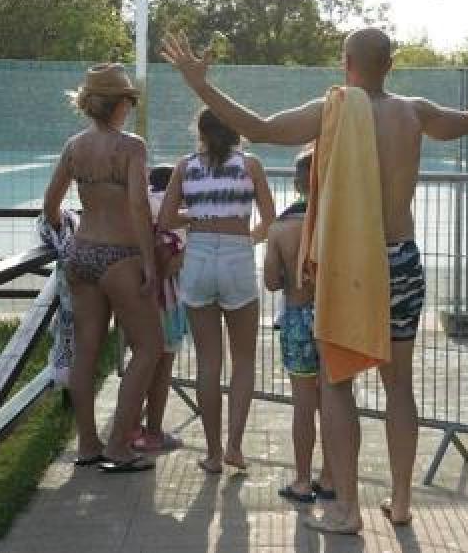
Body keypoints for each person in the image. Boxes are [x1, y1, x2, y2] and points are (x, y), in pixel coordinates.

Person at [161, 26, 468, 532]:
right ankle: (401, 502)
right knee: (399, 386)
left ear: (344, 62)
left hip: (351, 265)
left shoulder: (331, 110)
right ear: (390, 65)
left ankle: (346, 509)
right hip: (401, 258)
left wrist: (201, 85)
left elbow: (259, 128)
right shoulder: (414, 112)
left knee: (336, 385)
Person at [41, 62, 163, 473]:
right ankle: (119, 446)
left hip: (82, 254)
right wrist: (149, 261)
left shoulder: (74, 146)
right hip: (120, 256)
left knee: (86, 352)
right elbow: (138, 206)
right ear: (121, 104)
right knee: (149, 347)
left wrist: (66, 232)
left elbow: (51, 204)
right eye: (129, 100)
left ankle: (88, 444)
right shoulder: (131, 147)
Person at [157, 108, 276, 474]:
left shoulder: (185, 167)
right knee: (243, 361)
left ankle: (212, 453)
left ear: (201, 132)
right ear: (236, 129)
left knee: (208, 363)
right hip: (237, 255)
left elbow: (165, 219)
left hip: (199, 256)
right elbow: (270, 220)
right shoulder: (250, 165)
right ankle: (235, 448)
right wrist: (247, 240)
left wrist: (196, 215)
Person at [264, 151, 334, 505]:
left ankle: (303, 481)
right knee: (336, 400)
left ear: (296, 184)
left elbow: (270, 283)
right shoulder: (335, 223)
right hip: (333, 318)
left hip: (296, 317)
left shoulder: (280, 228)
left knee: (303, 404)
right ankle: (332, 476)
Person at [129, 164, 188, 452]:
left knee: (139, 362)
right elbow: (169, 260)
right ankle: (153, 432)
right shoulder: (176, 213)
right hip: (165, 299)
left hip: (132, 295)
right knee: (162, 366)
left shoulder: (138, 208)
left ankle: (129, 428)